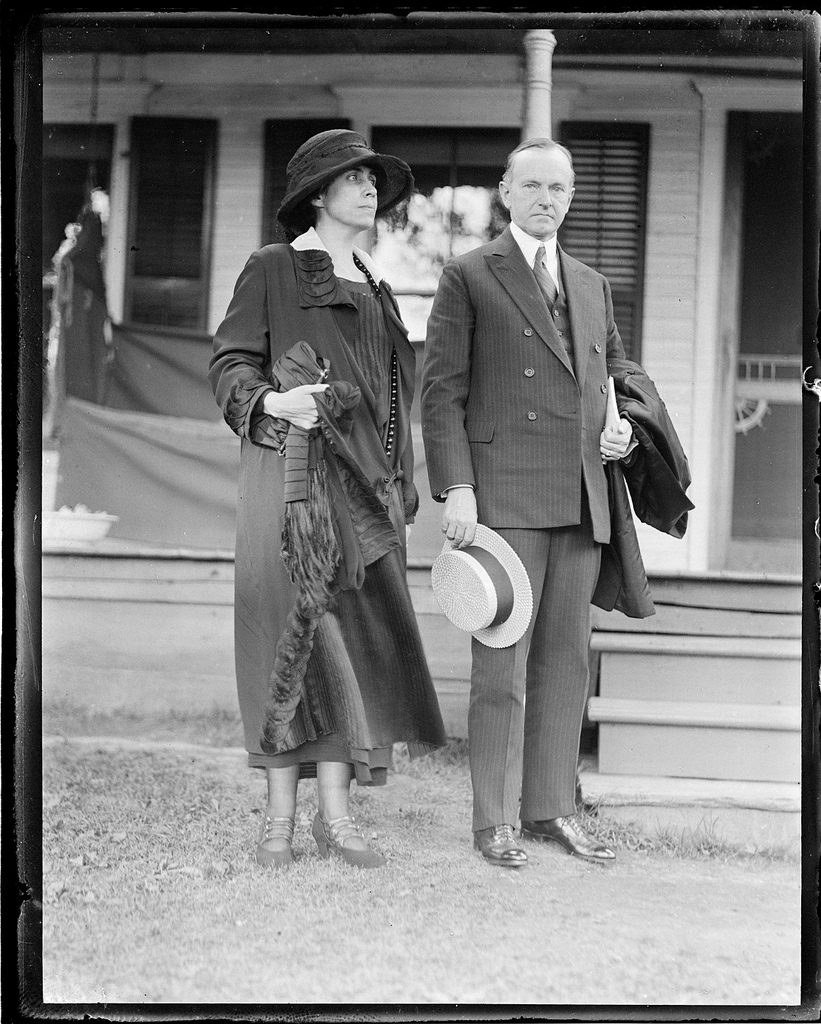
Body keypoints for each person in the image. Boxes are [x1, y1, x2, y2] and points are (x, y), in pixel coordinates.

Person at [209, 129, 447, 871]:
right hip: (291, 483)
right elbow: (229, 362)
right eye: (352, 178)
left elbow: (390, 397)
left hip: (365, 495)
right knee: (289, 637)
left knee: (353, 647)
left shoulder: (374, 284)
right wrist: (273, 405)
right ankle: (279, 818)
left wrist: (396, 478)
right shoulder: (274, 268)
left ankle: (336, 818)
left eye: (373, 178)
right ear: (317, 195)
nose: (369, 188)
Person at [421, 137, 638, 869]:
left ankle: (550, 809)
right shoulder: (469, 274)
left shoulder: (590, 281)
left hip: (580, 495)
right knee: (500, 665)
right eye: (534, 186)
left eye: (560, 188)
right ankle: (493, 820)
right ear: (505, 193)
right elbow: (441, 392)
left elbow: (615, 370)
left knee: (565, 662)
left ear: (571, 197)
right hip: (503, 497)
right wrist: (457, 487)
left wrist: (623, 425)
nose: (548, 199)